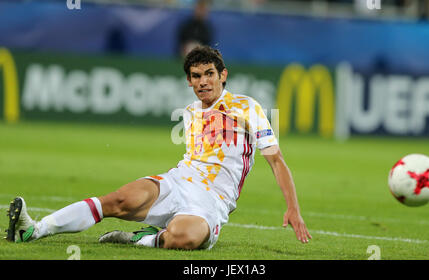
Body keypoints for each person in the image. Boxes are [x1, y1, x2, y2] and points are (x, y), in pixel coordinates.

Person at [5, 46, 312, 250]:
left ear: (223, 75)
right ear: (189, 81)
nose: (203, 81)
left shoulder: (248, 108)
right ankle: (34, 229)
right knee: (118, 200)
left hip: (213, 200)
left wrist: (293, 208)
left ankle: (146, 239)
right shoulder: (191, 112)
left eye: (209, 74)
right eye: (196, 76)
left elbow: (276, 161)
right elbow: (193, 160)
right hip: (178, 182)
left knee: (185, 236)